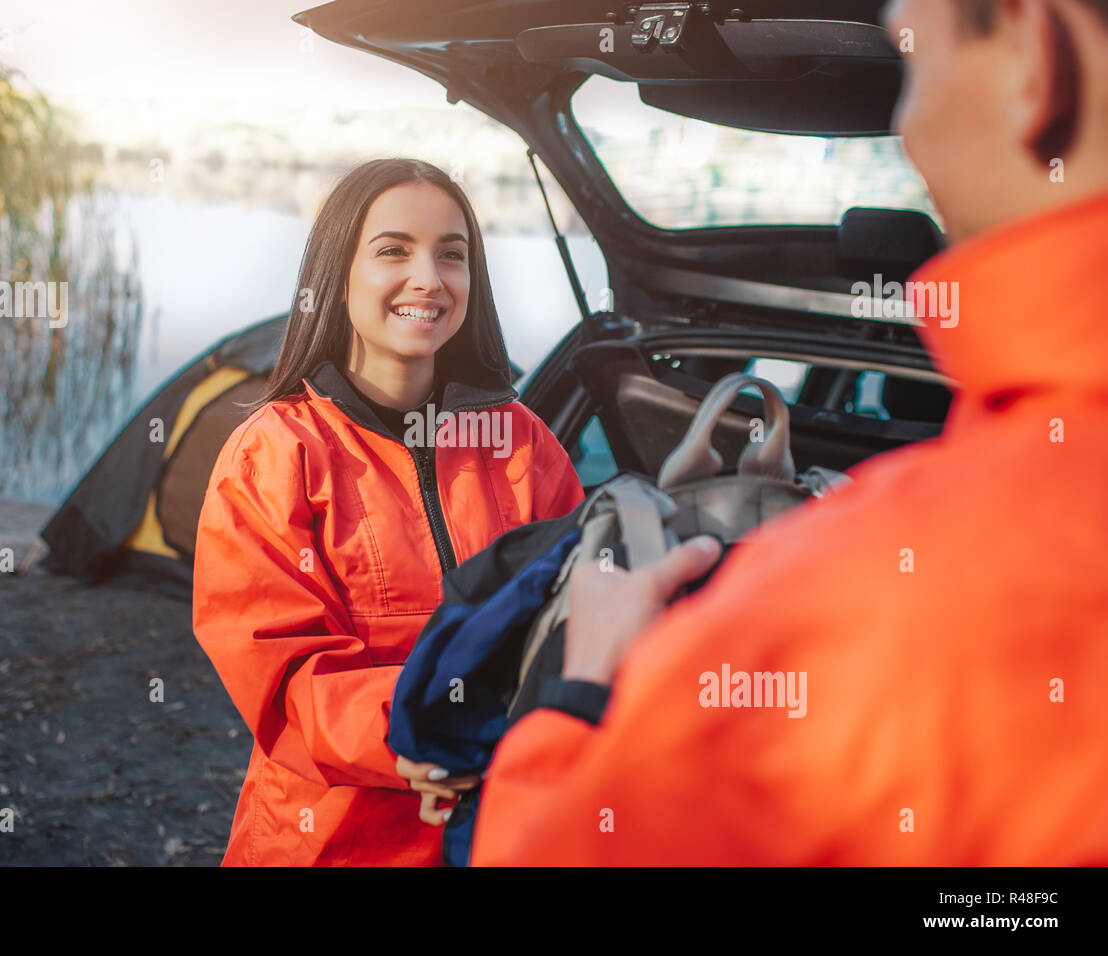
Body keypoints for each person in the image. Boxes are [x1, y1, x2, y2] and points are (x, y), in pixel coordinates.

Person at [471, 0, 1108, 865]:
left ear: (1037, 50)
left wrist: (578, 694)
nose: (907, 130)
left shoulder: (828, 611)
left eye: (914, 64)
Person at [192, 158, 585, 866]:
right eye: (394, 251)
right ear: (339, 276)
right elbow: (281, 675)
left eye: (452, 255)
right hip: (329, 843)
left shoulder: (524, 444)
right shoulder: (275, 453)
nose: (429, 279)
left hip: (497, 832)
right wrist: (420, 735)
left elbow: (575, 622)